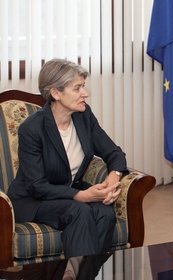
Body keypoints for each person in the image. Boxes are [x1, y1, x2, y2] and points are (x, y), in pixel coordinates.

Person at [7, 58, 128, 279]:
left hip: (67, 192)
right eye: (77, 88)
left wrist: (113, 177)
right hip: (32, 200)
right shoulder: (32, 129)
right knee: (79, 211)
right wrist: (81, 195)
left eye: (83, 86)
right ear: (55, 93)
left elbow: (114, 153)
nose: (85, 93)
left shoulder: (83, 116)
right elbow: (36, 185)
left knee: (104, 213)